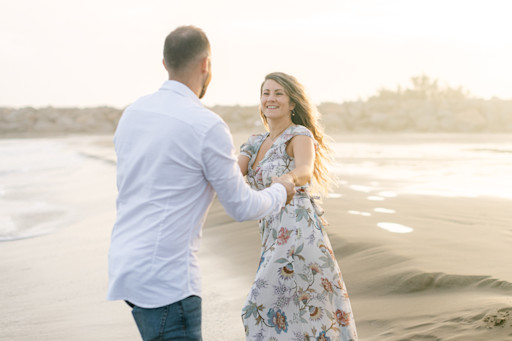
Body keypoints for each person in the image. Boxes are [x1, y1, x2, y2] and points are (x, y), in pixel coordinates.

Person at [107, 26, 295, 341]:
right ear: (206, 65)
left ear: (165, 63)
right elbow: (241, 206)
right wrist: (281, 190)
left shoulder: (133, 114)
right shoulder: (205, 125)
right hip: (167, 279)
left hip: (126, 264)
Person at [238, 72, 358, 340]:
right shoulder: (254, 141)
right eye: (266, 93)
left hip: (299, 235)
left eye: (278, 93)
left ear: (292, 103)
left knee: (256, 307)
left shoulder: (299, 135)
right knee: (295, 313)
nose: (271, 98)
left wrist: (288, 179)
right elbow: (232, 175)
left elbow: (304, 170)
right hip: (272, 237)